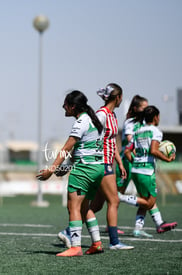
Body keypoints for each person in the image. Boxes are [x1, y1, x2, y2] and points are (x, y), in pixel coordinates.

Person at [57, 84, 134, 251]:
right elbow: (84, 142)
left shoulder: (111, 116)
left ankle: (76, 234)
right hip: (100, 163)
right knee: (112, 200)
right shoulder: (100, 115)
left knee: (94, 205)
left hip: (103, 163)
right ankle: (113, 241)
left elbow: (110, 142)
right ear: (118, 97)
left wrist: (119, 162)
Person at [37, 90, 105, 257]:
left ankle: (75, 247)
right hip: (97, 169)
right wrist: (66, 168)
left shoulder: (81, 122)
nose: (63, 107)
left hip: (84, 170)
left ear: (73, 106)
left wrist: (50, 171)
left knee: (72, 206)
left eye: (66, 104)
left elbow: (66, 148)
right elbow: (83, 150)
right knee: (84, 207)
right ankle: (96, 243)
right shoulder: (94, 121)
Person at [120, 105, 177, 235]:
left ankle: (140, 228)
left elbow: (128, 150)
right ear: (156, 117)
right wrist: (167, 159)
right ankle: (120, 197)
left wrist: (135, 162)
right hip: (146, 171)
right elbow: (154, 150)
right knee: (150, 202)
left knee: (144, 201)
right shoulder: (155, 131)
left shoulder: (138, 131)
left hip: (136, 169)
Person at [116, 95, 153, 238]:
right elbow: (131, 141)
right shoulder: (130, 122)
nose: (147, 109)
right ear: (136, 108)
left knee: (146, 197)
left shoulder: (145, 123)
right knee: (117, 195)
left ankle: (139, 227)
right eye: (144, 107)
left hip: (142, 163)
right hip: (127, 162)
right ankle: (110, 225)